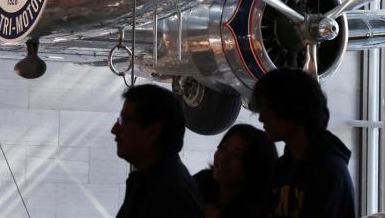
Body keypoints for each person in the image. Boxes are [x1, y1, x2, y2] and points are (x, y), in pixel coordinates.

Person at [251, 68, 356, 218]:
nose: (261, 118)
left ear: (291, 107)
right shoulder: (281, 169)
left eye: (268, 109)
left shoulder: (329, 174)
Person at [112, 83, 203, 218]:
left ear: (153, 131)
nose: (114, 130)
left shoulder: (172, 197)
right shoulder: (150, 181)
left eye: (123, 121)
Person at [192, 123, 277, 218]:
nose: (224, 158)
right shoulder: (201, 182)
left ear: (254, 168)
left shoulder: (257, 211)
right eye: (223, 147)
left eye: (237, 155)